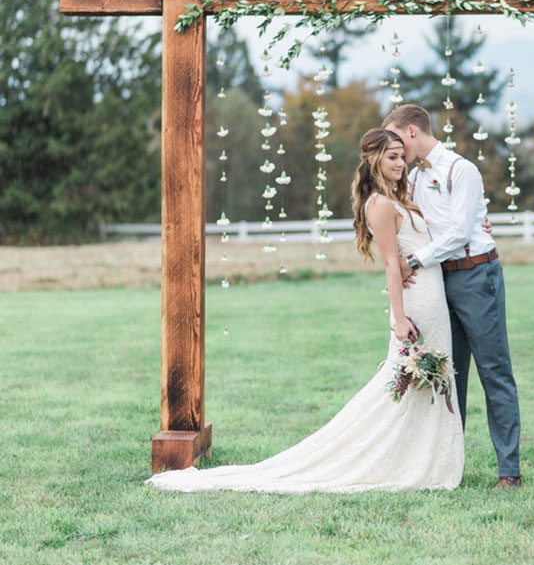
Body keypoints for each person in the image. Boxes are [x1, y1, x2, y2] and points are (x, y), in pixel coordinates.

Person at [146, 127, 464, 493]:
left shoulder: (401, 197)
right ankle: (394, 459)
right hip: (416, 303)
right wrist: (400, 318)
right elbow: (392, 265)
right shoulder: (379, 204)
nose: (399, 163)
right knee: (405, 384)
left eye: (400, 156)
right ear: (374, 160)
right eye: (391, 157)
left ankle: (422, 457)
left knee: (425, 385)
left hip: (432, 297)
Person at [383, 104, 522, 489]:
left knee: (494, 371)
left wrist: (414, 259)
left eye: (397, 139)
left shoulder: (462, 170)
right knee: (449, 372)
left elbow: (461, 232)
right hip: (439, 281)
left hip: (477, 275)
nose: (396, 149)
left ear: (412, 132)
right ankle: (446, 466)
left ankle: (508, 470)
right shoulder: (410, 180)